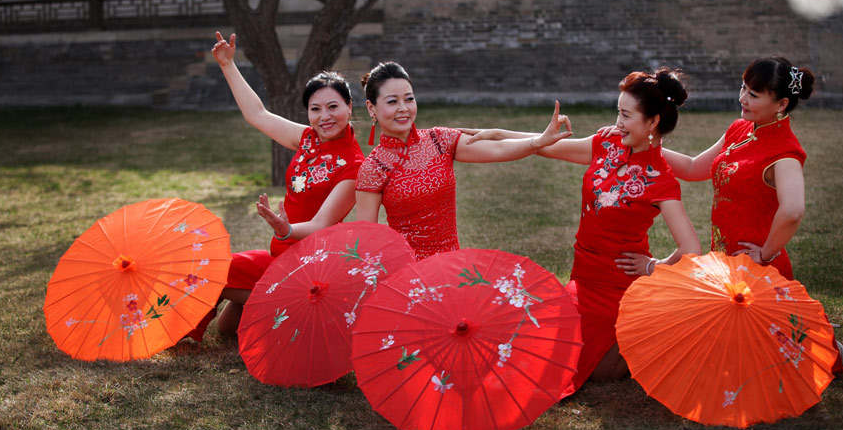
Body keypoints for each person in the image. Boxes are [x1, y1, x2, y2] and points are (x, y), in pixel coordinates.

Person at [466, 67, 702, 391]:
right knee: (536, 346)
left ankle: (648, 330)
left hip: (617, 286)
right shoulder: (608, 142)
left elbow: (692, 250)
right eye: (617, 112)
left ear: (653, 122)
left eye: (625, 115)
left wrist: (653, 266)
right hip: (583, 276)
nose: (617, 122)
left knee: (591, 372)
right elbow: (549, 146)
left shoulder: (660, 180)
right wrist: (497, 132)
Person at [660, 56, 843, 370]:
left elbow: (792, 210)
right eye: (743, 88)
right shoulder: (740, 129)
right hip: (724, 261)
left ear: (782, 103)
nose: (741, 98)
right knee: (725, 353)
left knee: (787, 357)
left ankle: (831, 347)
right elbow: (694, 168)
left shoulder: (785, 152)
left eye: (754, 95)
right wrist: (645, 146)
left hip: (759, 268)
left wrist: (766, 253)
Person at [189, 31, 365, 338]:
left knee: (228, 307)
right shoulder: (307, 139)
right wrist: (228, 65)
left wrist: (285, 229)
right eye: (315, 109)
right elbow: (257, 114)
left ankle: (293, 313)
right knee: (227, 325)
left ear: (350, 107)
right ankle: (215, 323)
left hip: (308, 267)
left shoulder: (354, 165)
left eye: (333, 107)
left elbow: (322, 224)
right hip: (278, 254)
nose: (325, 117)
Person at [354, 61, 573, 260]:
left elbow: (497, 149)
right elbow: (367, 240)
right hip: (406, 273)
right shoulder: (373, 168)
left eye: (409, 99)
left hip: (451, 266)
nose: (403, 108)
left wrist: (538, 141)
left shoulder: (439, 140)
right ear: (371, 108)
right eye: (392, 102)